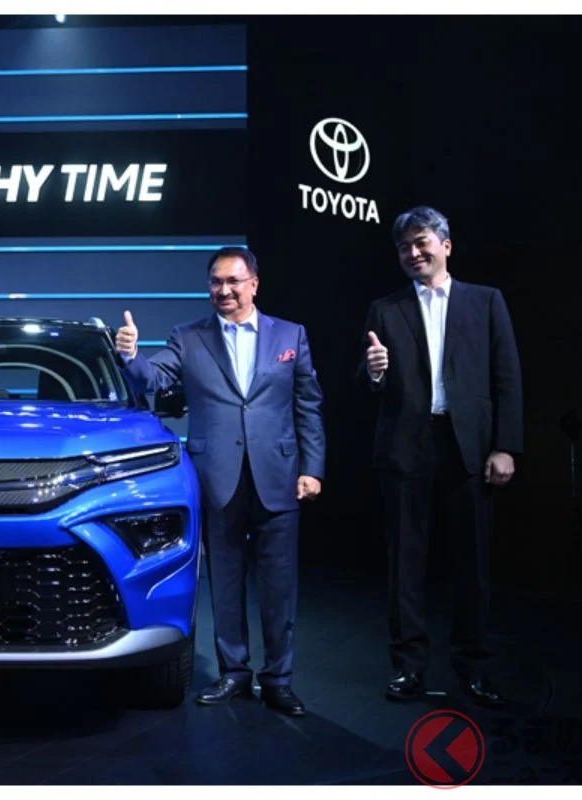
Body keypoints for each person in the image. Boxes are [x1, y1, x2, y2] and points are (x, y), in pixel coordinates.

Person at [115, 246, 326, 716]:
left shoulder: (290, 334)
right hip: (216, 478)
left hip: (278, 475)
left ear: (254, 283)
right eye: (216, 282)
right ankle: (234, 673)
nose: (224, 290)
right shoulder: (188, 337)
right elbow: (151, 379)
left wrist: (313, 468)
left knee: (279, 586)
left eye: (233, 281)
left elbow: (308, 405)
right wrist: (130, 354)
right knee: (225, 582)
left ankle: (279, 679)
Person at [361, 206, 523, 708]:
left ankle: (473, 667)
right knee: (405, 565)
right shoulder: (385, 309)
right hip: (406, 448)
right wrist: (374, 371)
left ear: (445, 246)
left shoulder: (486, 301)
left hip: (468, 448)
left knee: (472, 563)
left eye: (421, 242)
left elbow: (507, 377)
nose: (413, 253)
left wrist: (505, 445)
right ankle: (408, 668)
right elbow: (367, 385)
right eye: (404, 247)